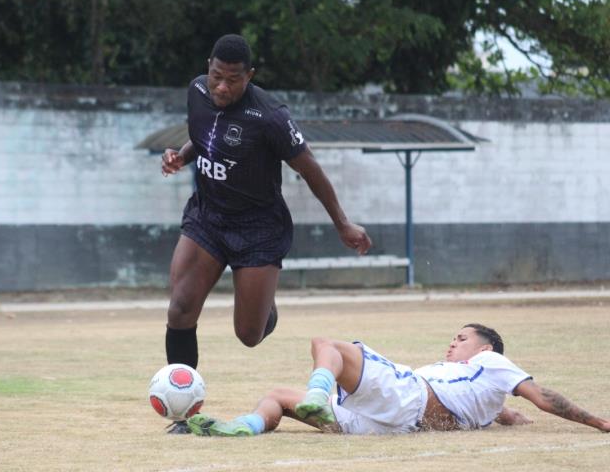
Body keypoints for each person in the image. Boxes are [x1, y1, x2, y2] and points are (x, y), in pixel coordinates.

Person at [161, 35, 371, 432]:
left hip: (258, 229)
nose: (222, 87)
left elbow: (309, 168)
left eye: (233, 80)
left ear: (249, 76)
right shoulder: (196, 91)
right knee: (180, 308)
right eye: (216, 76)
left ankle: (263, 306)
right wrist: (180, 156)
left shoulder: (271, 116)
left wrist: (342, 223)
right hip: (208, 217)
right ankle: (183, 411)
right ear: (208, 67)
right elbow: (203, 136)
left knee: (249, 334)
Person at [187, 323, 610, 436]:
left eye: (461, 339)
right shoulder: (485, 389)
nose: (451, 345)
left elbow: (542, 396)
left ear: (486, 348)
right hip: (387, 422)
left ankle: (319, 391)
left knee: (326, 343)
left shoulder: (494, 362)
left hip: (408, 398)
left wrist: (598, 422)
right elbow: (503, 410)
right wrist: (512, 419)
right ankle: (244, 427)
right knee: (278, 396)